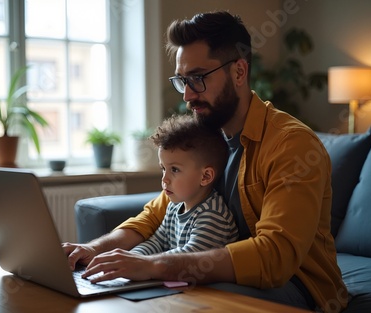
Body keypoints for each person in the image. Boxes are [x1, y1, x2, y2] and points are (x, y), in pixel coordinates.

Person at [63, 10, 348, 312]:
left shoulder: (290, 144)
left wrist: (154, 265)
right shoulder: (208, 137)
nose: (187, 95)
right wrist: (91, 249)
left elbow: (274, 257)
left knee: (179, 300)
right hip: (231, 276)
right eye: (182, 80)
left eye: (197, 79)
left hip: (299, 287)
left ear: (239, 72)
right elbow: (154, 216)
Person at [130, 114, 238, 255]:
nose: (164, 179)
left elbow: (188, 258)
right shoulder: (174, 207)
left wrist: (141, 263)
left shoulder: (213, 216)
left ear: (205, 176)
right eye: (163, 168)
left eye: (174, 169)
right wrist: (132, 256)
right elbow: (157, 242)